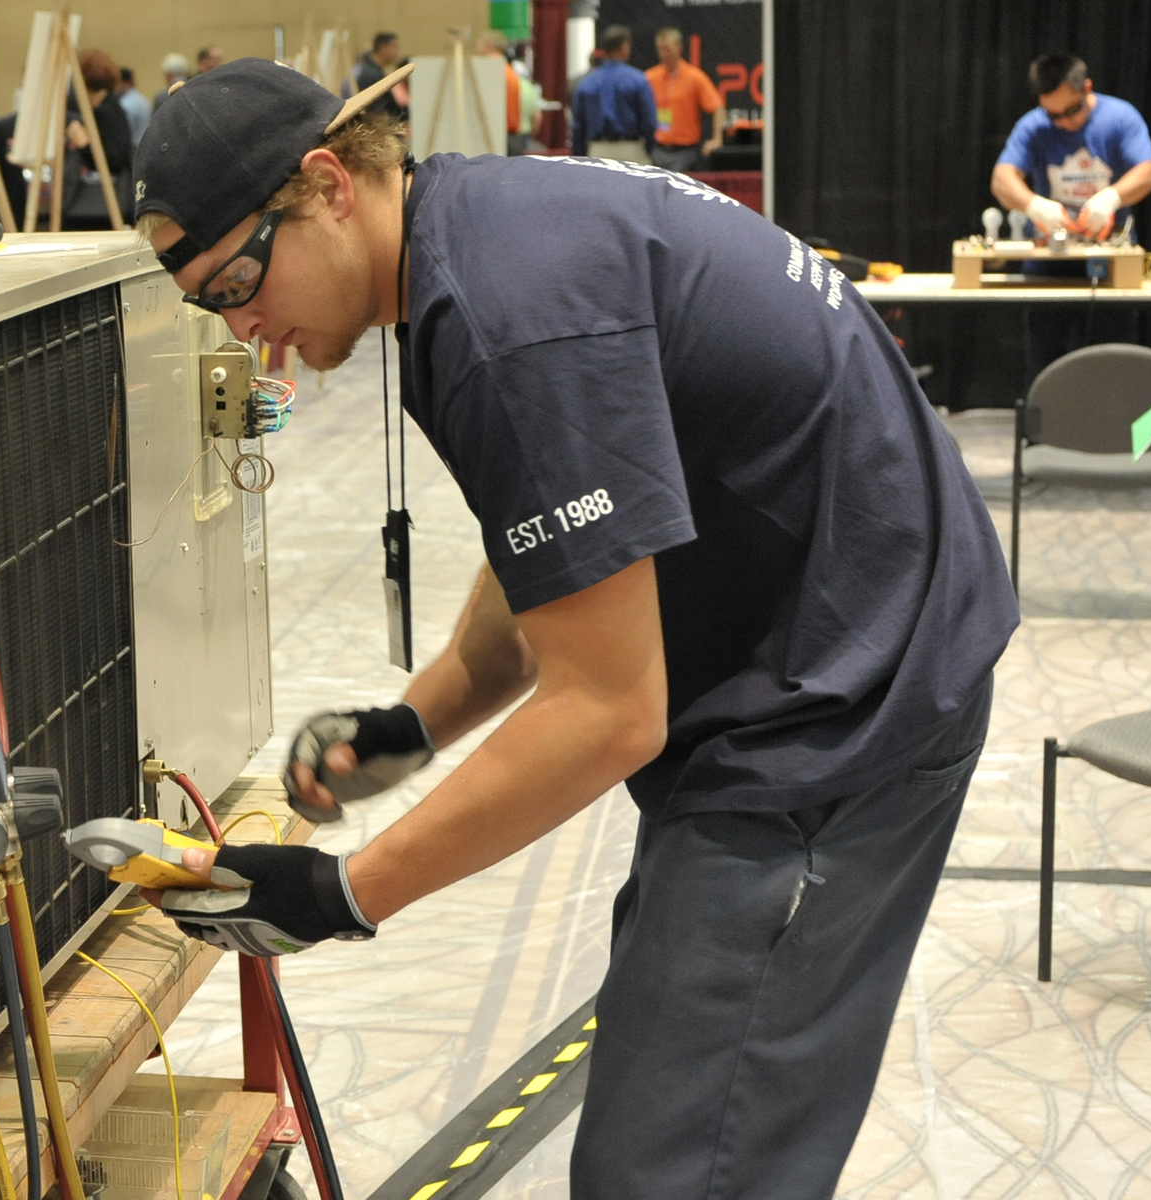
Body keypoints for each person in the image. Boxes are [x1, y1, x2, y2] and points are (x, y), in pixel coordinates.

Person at [130, 57, 1015, 1200]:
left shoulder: (510, 320)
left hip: (848, 699)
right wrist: (409, 726)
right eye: (208, 305)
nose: (245, 329)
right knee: (670, 1111)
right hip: (813, 639)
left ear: (328, 186)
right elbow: (560, 562)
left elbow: (608, 712)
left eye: (239, 275)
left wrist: (341, 896)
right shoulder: (476, 239)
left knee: (676, 1167)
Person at [990, 53, 1151, 386]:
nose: (1063, 122)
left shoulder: (1120, 117)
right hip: (1048, 264)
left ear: (1087, 88)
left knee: (1114, 364)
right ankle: (1043, 436)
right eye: (1053, 115)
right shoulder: (1033, 125)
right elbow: (1001, 180)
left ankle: (1112, 436)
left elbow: (1148, 172)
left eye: (1071, 111)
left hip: (1110, 261)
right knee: (1045, 367)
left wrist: (1113, 197)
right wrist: (1034, 204)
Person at [64, 48, 133, 230]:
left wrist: (83, 143)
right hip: (107, 205)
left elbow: (114, 160)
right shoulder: (113, 106)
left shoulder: (104, 112)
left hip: (101, 205)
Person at [572, 25, 655, 162]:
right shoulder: (637, 79)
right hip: (631, 149)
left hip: (597, 150)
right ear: (624, 47)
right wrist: (648, 149)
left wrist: (581, 154)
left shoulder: (588, 82)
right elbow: (649, 122)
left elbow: (578, 125)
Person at [644, 26, 722, 172]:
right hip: (656, 150)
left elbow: (717, 106)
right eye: (660, 49)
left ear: (679, 48)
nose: (663, 54)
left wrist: (717, 138)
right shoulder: (650, 77)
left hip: (685, 153)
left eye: (667, 49)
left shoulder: (694, 77)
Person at [353, 33, 407, 122]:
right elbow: (375, 111)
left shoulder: (367, 70)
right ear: (383, 48)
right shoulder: (371, 75)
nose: (397, 52)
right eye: (394, 47)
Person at [118, 65, 151, 147]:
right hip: (147, 144)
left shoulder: (125, 104)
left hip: (134, 147)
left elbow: (124, 132)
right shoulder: (143, 100)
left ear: (123, 82)